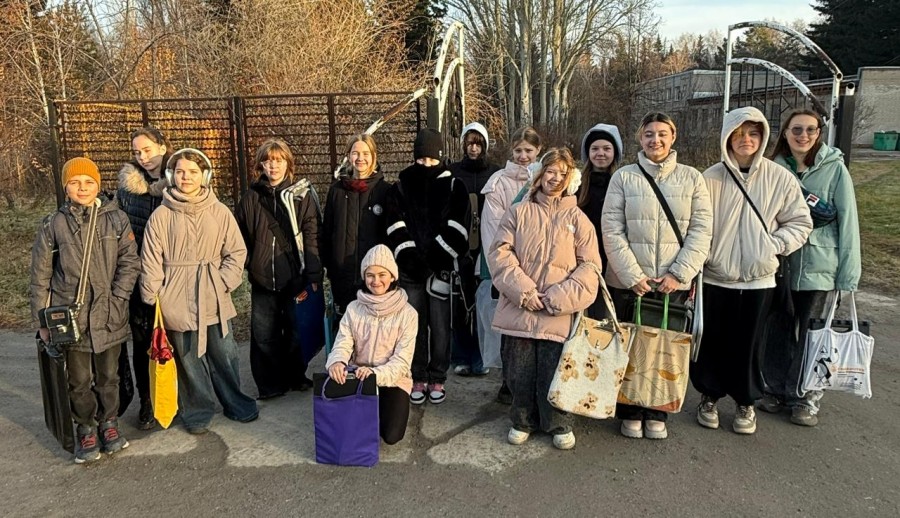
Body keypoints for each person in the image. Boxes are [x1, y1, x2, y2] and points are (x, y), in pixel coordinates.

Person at [692, 106, 812, 435]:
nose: (746, 139)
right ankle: (709, 396)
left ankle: (746, 401)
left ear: (763, 137)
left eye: (753, 133)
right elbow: (695, 224)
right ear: (727, 138)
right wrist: (705, 255)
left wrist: (773, 245)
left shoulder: (779, 178)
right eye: (739, 133)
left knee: (750, 345)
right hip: (717, 276)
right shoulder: (709, 178)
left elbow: (800, 222)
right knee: (712, 342)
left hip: (760, 279)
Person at [601, 112, 712, 440]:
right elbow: (612, 228)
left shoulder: (692, 178)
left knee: (665, 348)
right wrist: (631, 274)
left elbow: (701, 231)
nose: (656, 140)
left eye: (662, 133)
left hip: (671, 284)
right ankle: (629, 410)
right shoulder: (623, 177)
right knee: (630, 346)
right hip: (631, 283)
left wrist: (679, 273)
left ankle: (657, 410)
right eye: (649, 134)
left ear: (673, 137)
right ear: (640, 138)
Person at [489, 147, 601, 450]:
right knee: (519, 371)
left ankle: (558, 422)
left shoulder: (578, 220)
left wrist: (558, 298)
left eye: (563, 173)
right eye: (551, 171)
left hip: (557, 314)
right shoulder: (518, 212)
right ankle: (522, 419)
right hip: (520, 309)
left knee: (556, 371)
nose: (556, 178)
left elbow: (590, 267)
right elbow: (500, 254)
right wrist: (524, 292)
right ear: (540, 175)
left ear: (571, 179)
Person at [140, 148, 258, 434]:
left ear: (204, 176)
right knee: (188, 361)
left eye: (193, 172)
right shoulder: (160, 216)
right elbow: (151, 260)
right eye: (180, 172)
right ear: (171, 176)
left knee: (225, 354)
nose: (186, 177)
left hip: (213, 294)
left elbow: (236, 252)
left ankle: (235, 402)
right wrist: (154, 295)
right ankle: (197, 411)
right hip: (175, 299)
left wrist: (223, 281)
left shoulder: (220, 212)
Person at [31, 157, 141, 463]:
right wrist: (42, 320)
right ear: (65, 187)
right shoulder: (53, 224)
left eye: (89, 182)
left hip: (109, 314)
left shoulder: (117, 219)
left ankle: (109, 422)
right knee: (78, 380)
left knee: (109, 376)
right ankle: (85, 427)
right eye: (75, 182)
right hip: (71, 319)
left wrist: (119, 297)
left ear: (98, 185)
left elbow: (130, 262)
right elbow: (40, 276)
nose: (82, 188)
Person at [760, 109, 861, 427]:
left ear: (819, 133)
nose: (803, 135)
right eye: (796, 129)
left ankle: (805, 397)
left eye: (810, 130)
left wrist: (848, 275)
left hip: (821, 267)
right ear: (785, 133)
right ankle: (775, 389)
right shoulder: (773, 168)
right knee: (777, 329)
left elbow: (848, 221)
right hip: (780, 264)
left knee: (814, 335)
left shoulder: (834, 169)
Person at [383, 128, 470, 405]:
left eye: (431, 159)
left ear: (440, 157)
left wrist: (434, 258)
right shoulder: (401, 186)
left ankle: (438, 377)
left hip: (440, 269)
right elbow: (395, 225)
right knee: (414, 326)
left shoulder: (455, 186)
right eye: (421, 159)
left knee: (441, 327)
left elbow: (459, 227)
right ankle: (417, 375)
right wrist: (411, 259)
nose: (426, 164)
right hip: (410, 271)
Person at [235, 139, 323, 399]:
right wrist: (250, 264)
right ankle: (269, 385)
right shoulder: (250, 199)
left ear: (288, 164)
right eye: (267, 160)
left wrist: (314, 274)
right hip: (262, 279)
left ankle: (295, 376)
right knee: (264, 335)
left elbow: (312, 234)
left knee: (297, 331)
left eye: (278, 160)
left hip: (295, 277)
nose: (272, 166)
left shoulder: (301, 196)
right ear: (260, 165)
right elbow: (239, 237)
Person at [325, 245, 417, 444]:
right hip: (357, 376)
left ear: (392, 276)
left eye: (382, 274)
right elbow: (343, 342)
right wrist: (337, 362)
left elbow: (402, 361)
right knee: (354, 433)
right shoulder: (353, 308)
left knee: (391, 436)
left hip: (393, 379)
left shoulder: (409, 314)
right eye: (370, 275)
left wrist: (375, 374)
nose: (376, 281)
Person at [479, 127, 543, 403]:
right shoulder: (499, 182)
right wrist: (503, 269)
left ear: (538, 150)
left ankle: (534, 383)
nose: (523, 156)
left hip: (540, 266)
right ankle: (509, 381)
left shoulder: (546, 178)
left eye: (529, 150)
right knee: (509, 326)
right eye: (518, 150)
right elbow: (493, 229)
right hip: (508, 266)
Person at [117, 126, 171, 429]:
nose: (142, 157)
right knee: (143, 342)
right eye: (137, 152)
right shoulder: (128, 189)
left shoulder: (181, 180)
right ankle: (147, 400)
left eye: (147, 149)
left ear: (162, 147)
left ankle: (177, 397)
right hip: (139, 277)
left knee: (176, 340)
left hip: (174, 274)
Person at [321, 134, 391, 327]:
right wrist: (330, 266)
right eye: (355, 153)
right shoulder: (336, 191)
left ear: (373, 156)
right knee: (345, 332)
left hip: (375, 280)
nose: (360, 158)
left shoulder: (385, 191)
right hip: (342, 277)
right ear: (348, 156)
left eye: (365, 153)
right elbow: (327, 232)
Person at [448, 122, 501, 377]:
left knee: (483, 305)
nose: (474, 148)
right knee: (460, 304)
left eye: (478, 144)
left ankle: (481, 357)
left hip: (487, 246)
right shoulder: (453, 172)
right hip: (461, 247)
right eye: (470, 143)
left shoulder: (495, 174)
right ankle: (460, 356)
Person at [574, 123, 624, 319]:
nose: (600, 153)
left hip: (613, 259)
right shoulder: (577, 185)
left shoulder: (623, 183)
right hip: (583, 259)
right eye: (595, 148)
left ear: (615, 152)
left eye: (606, 148)